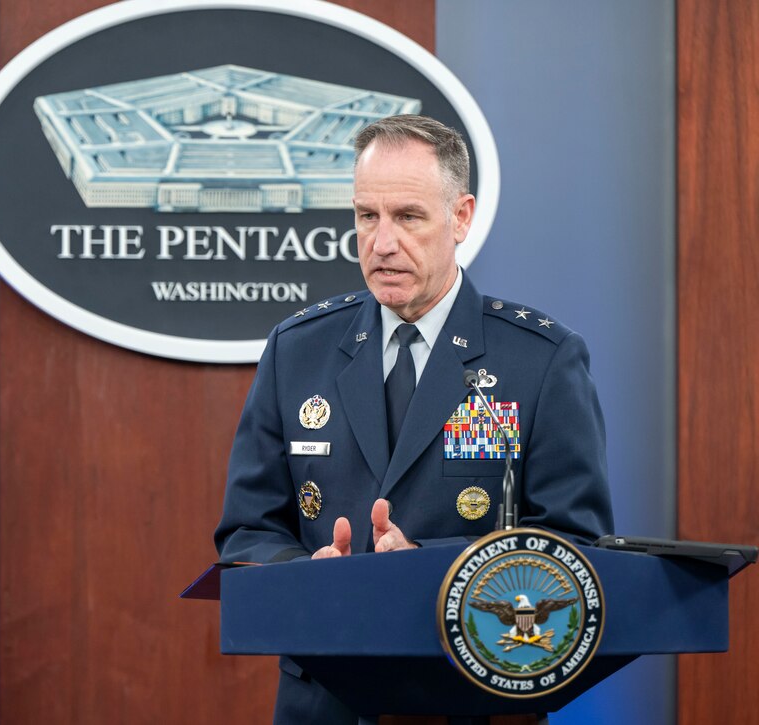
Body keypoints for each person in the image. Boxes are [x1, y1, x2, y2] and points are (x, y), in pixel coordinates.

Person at [213, 115, 613, 724]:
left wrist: (431, 568)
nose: (381, 242)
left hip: (472, 698)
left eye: (408, 216)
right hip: (326, 701)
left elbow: (575, 553)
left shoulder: (540, 361)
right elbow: (247, 533)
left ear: (460, 217)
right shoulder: (297, 350)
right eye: (366, 216)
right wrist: (308, 574)